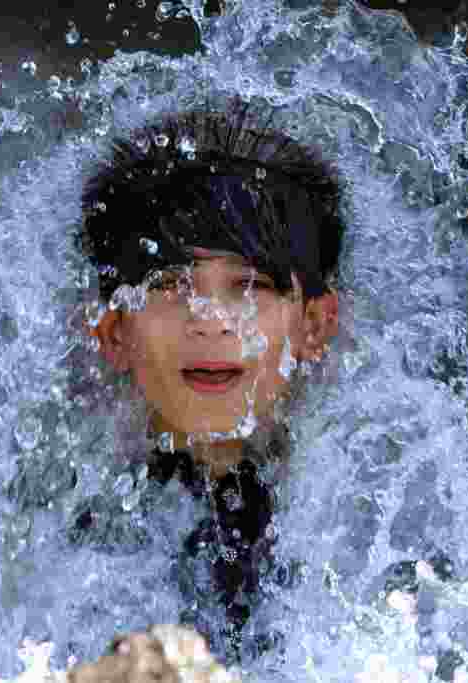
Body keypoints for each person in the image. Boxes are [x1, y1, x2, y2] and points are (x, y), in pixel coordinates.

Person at [75, 96, 347, 661]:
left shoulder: (357, 533)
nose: (211, 321)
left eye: (249, 285)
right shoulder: (60, 533)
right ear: (113, 329)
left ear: (314, 324)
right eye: (172, 285)